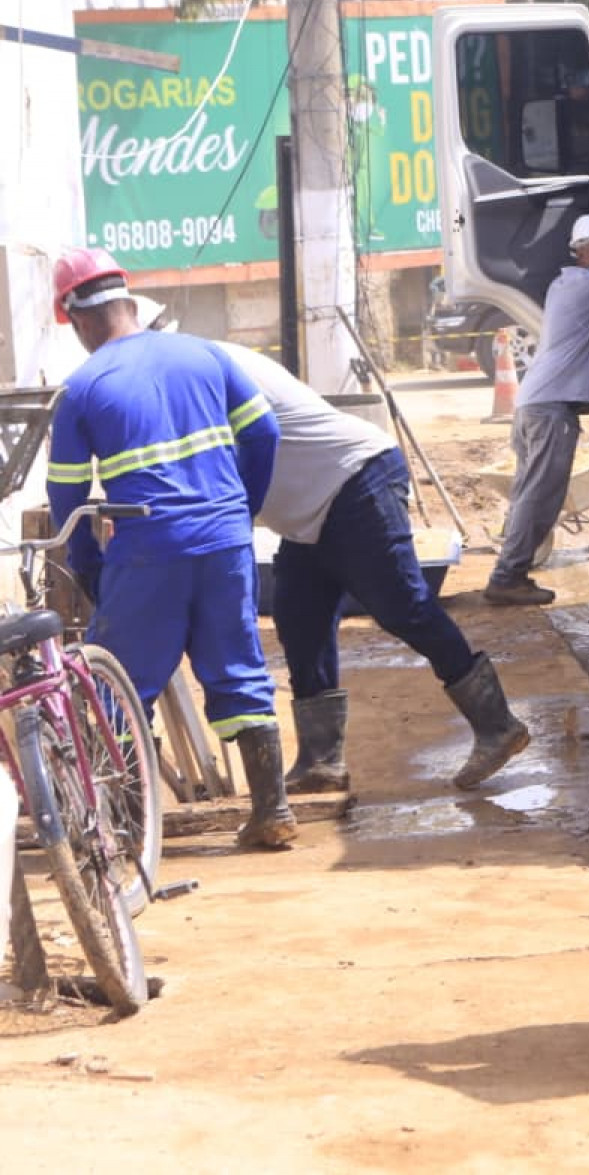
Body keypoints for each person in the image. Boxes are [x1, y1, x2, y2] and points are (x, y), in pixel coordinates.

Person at [44, 248, 295, 850]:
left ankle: (131, 826)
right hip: (225, 542)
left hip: (147, 551)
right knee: (239, 669)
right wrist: (243, 505)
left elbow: (66, 493)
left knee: (118, 688)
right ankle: (273, 810)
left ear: (77, 319)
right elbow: (265, 432)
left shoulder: (82, 388)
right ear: (127, 299)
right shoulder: (205, 353)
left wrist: (87, 565)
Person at [214, 342, 532, 794]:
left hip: (354, 477)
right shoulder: (202, 367)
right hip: (309, 513)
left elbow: (257, 438)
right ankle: (321, 762)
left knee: (401, 605)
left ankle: (497, 724)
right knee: (299, 619)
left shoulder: (214, 370)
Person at [487, 212, 589, 606]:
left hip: (534, 404)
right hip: (550, 408)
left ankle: (511, 571)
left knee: (527, 493)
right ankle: (507, 576)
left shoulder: (565, 286)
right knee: (540, 496)